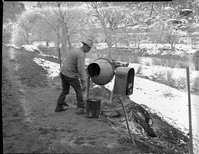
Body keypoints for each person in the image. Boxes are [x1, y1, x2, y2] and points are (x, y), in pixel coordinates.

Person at [55, 39, 93, 114]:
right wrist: (83, 82)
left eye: (90, 48)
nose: (89, 49)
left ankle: (59, 106)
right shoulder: (81, 54)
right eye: (89, 47)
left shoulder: (75, 50)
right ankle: (81, 108)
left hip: (64, 72)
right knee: (78, 90)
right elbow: (80, 69)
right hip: (70, 74)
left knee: (65, 90)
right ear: (85, 45)